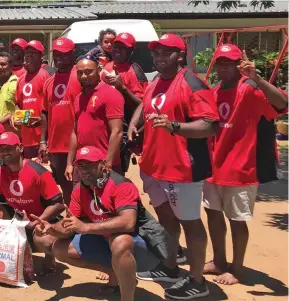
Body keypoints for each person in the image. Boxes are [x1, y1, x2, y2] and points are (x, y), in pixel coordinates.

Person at [128, 33, 218, 300]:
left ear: (180, 55)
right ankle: (170, 266)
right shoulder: (156, 81)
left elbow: (210, 125)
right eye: (156, 53)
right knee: (167, 219)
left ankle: (197, 280)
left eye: (166, 52)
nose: (159, 57)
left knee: (190, 223)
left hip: (183, 168)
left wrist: (175, 127)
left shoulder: (192, 83)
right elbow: (146, 104)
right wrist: (136, 123)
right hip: (154, 164)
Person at [203, 44, 287, 285]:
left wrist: (258, 79)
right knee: (213, 214)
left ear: (239, 65)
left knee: (237, 220)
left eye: (229, 63)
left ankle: (236, 269)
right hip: (213, 168)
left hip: (240, 169)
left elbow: (281, 104)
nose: (223, 67)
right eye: (220, 63)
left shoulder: (250, 89)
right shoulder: (214, 90)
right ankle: (219, 260)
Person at [49, 146, 152, 301]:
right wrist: (51, 229)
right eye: (80, 165)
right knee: (59, 248)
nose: (83, 170)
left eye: (89, 164)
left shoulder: (122, 184)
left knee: (120, 242)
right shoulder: (80, 189)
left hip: (136, 244)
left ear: (103, 164)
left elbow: (128, 222)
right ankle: (114, 273)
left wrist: (85, 227)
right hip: (103, 238)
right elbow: (69, 225)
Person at [0, 132, 65, 275]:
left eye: (8, 148)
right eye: (1, 149)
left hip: (40, 219)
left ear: (21, 148)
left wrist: (37, 221)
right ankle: (14, 250)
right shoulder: (0, 172)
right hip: (16, 219)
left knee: (46, 241)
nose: (4, 153)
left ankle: (49, 256)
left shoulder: (38, 171)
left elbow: (59, 204)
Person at [66, 58, 125, 180]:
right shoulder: (78, 98)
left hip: (103, 164)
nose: (83, 76)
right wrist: (69, 163)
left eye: (88, 72)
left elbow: (117, 132)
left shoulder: (110, 94)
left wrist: (108, 164)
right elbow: (75, 132)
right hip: (82, 163)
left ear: (98, 70)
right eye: (80, 72)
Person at [41, 37, 82, 204]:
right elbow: (44, 112)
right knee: (65, 185)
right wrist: (43, 141)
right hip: (56, 145)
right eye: (56, 54)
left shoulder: (80, 76)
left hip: (78, 143)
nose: (59, 58)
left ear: (73, 54)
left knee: (80, 185)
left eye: (63, 54)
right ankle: (71, 217)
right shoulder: (49, 81)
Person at [101, 32, 148, 174]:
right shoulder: (106, 68)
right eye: (116, 46)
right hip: (103, 129)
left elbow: (142, 105)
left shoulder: (135, 71)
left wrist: (123, 89)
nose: (117, 50)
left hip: (122, 130)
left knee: (115, 173)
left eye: (123, 48)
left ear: (131, 51)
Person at [16, 40, 55, 159]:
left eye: (33, 52)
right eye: (27, 52)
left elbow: (52, 106)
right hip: (27, 139)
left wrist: (44, 139)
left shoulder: (46, 75)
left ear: (41, 56)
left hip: (44, 139)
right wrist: (23, 119)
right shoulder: (21, 79)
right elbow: (19, 105)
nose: (29, 55)